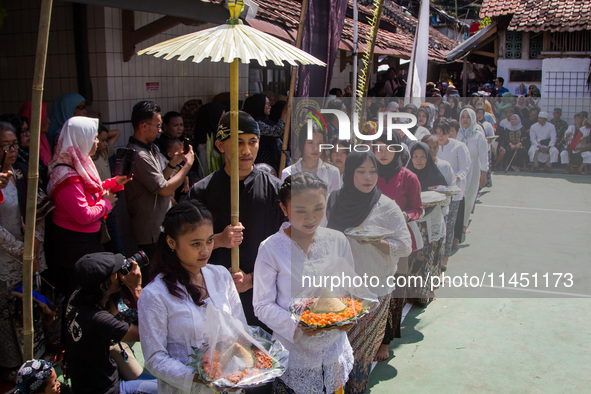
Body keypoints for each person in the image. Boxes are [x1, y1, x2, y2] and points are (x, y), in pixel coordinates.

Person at [253, 173, 354, 394]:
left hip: (334, 352)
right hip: (294, 357)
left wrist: (349, 315)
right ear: (284, 209)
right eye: (300, 210)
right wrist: (298, 325)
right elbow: (261, 305)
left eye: (318, 208)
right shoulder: (270, 249)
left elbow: (348, 290)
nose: (311, 218)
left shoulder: (338, 241)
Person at [188, 111, 285, 328]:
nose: (246, 150)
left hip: (265, 295)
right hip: (215, 296)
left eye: (253, 142)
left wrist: (252, 279)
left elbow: (288, 246)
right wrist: (218, 240)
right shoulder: (201, 191)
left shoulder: (275, 190)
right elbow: (183, 245)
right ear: (221, 146)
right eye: (239, 142)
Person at [139, 201, 246, 393]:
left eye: (210, 240)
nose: (205, 250)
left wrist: (244, 364)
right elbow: (155, 357)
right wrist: (199, 377)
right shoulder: (154, 295)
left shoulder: (221, 276)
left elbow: (240, 330)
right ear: (172, 242)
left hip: (230, 383)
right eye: (196, 243)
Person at [326, 151, 411, 394]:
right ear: (349, 172)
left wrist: (377, 242)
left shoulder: (387, 206)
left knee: (361, 354)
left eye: (373, 171)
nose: (368, 177)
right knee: (338, 353)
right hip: (339, 288)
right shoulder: (334, 200)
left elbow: (405, 246)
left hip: (374, 290)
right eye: (360, 171)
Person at [47, 117, 128, 296]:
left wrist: (114, 183)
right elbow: (83, 214)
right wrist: (106, 204)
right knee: (79, 293)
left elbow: (92, 189)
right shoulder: (67, 175)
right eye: (93, 137)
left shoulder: (79, 162)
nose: (97, 141)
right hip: (74, 245)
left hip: (85, 241)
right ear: (80, 139)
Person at [65, 253, 158, 394]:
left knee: (116, 349)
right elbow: (147, 333)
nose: (120, 273)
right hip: (106, 390)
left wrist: (117, 288)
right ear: (103, 286)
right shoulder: (98, 319)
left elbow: (112, 311)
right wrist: (136, 288)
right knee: (174, 389)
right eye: (115, 272)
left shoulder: (77, 296)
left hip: (85, 381)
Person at [0, 122, 48, 379]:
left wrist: (35, 245)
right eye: (4, 145)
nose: (10, 150)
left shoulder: (23, 172)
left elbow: (39, 211)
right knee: (9, 317)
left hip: (31, 257)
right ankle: (13, 367)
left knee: (32, 309)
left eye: (14, 144)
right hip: (6, 261)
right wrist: (22, 251)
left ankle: (36, 361)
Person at [372, 133, 422, 362]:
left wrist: (406, 215)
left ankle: (385, 341)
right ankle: (370, 335)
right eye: (377, 147)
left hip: (399, 243)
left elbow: (417, 208)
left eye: (387, 148)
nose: (382, 153)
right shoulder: (366, 174)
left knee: (395, 294)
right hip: (371, 242)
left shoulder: (409, 177)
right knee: (373, 290)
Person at [125, 101, 195, 259]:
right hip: (149, 230)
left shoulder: (150, 148)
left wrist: (173, 163)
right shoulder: (138, 154)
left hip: (159, 226)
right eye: (157, 126)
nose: (160, 130)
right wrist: (187, 166)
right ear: (143, 126)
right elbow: (164, 189)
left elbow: (159, 180)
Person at [406, 142, 448, 303]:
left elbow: (445, 200)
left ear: (428, 158)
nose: (419, 160)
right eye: (415, 156)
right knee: (416, 258)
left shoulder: (435, 176)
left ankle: (430, 289)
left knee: (433, 255)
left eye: (423, 156)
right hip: (416, 223)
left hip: (433, 221)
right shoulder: (408, 177)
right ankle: (415, 291)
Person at [433, 118, 470, 265]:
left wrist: (456, 177)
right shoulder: (432, 146)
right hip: (435, 193)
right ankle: (435, 257)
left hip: (453, 193)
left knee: (449, 227)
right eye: (437, 133)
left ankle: (445, 258)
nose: (440, 137)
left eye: (443, 133)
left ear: (449, 133)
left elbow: (465, 168)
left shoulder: (459, 147)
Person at [281, 124, 342, 197]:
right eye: (310, 142)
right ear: (302, 143)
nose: (315, 148)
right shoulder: (288, 173)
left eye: (320, 143)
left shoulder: (332, 173)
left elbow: (334, 205)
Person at [457, 108, 488, 234]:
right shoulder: (457, 133)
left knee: (469, 196)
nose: (465, 120)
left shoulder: (478, 135)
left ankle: (464, 224)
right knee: (458, 196)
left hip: (473, 169)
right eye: (463, 117)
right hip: (458, 169)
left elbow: (484, 156)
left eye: (468, 117)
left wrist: (483, 173)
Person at [243, 93, 286, 173]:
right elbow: (277, 131)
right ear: (259, 105)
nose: (270, 106)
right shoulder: (256, 124)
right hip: (262, 162)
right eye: (267, 104)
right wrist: (284, 113)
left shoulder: (266, 121)